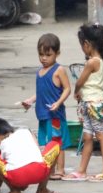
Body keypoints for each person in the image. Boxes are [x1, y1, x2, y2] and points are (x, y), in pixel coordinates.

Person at [21, 32, 71, 179]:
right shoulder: (40, 72)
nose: (44, 58)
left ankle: (60, 170)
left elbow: (67, 88)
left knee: (57, 142)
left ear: (57, 54)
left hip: (55, 114)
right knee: (49, 143)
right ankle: (51, 169)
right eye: (41, 54)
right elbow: (40, 92)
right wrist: (30, 101)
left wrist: (58, 103)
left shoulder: (59, 70)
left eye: (48, 55)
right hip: (43, 114)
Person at [70, 22, 103, 182]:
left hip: (94, 103)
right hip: (90, 103)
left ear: (87, 44)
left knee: (100, 135)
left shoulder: (92, 62)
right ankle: (81, 170)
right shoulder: (100, 60)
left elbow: (80, 81)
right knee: (88, 136)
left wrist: (76, 92)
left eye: (82, 45)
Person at [0, 119, 60, 193]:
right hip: (40, 172)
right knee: (55, 145)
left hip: (18, 177)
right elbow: (37, 149)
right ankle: (42, 189)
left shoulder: (3, 144)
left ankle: (14, 191)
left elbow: (0, 174)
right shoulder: (26, 131)